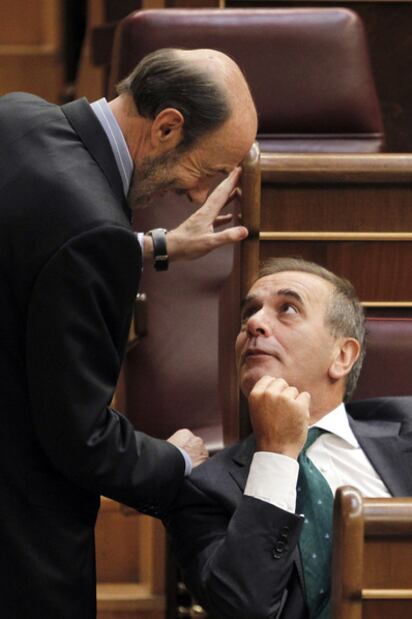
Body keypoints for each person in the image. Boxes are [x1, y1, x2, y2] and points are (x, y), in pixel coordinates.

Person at [0, 48, 257, 618]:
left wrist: (150, 245)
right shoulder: (91, 232)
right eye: (209, 172)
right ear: (167, 126)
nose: (197, 195)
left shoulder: (16, 115)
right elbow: (80, 437)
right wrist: (177, 462)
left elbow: (26, 250)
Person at [165, 257, 412, 619]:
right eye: (249, 312)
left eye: (288, 309)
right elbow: (244, 609)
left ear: (342, 356)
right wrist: (277, 454)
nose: (254, 323)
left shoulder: (408, 428)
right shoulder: (203, 488)